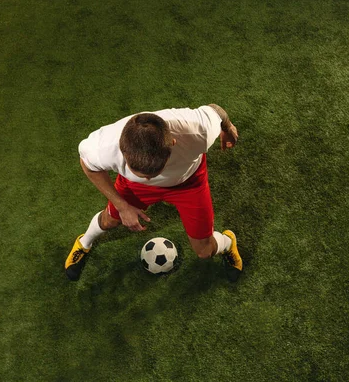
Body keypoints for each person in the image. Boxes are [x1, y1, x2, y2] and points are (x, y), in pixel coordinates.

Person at [65, 103, 243, 282]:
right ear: (122, 150)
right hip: (135, 187)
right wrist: (122, 206)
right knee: (109, 219)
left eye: (155, 172)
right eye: (140, 172)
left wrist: (227, 128)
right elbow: (88, 167)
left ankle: (228, 242)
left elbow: (216, 111)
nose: (150, 179)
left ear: (172, 143)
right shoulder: (102, 147)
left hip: (189, 183)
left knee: (205, 251)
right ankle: (84, 243)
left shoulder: (197, 130)